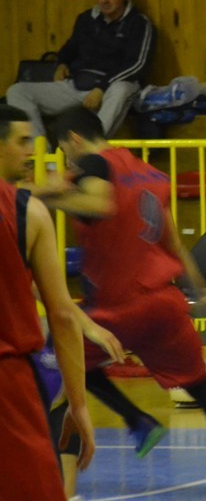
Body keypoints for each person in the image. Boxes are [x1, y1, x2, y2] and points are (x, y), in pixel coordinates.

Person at [39, 107, 206, 493]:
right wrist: (201, 290)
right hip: (164, 302)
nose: (68, 159)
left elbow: (98, 204)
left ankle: (134, 422)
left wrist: (39, 198)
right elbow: (174, 243)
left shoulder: (93, 164)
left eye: (65, 150)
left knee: (61, 355)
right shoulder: (149, 173)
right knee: (201, 387)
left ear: (74, 140)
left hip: (118, 305)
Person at [0, 104, 96, 500]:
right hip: (9, 385)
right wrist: (79, 405)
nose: (31, 152)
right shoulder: (28, 213)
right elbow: (62, 315)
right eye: (23, 141)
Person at [6, 0, 155, 142]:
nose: (104, 0)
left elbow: (137, 65)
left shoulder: (139, 23)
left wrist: (101, 88)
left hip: (112, 88)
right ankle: (40, 154)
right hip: (77, 85)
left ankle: (88, 150)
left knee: (121, 89)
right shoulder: (86, 19)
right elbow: (70, 48)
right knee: (18, 91)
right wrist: (61, 63)